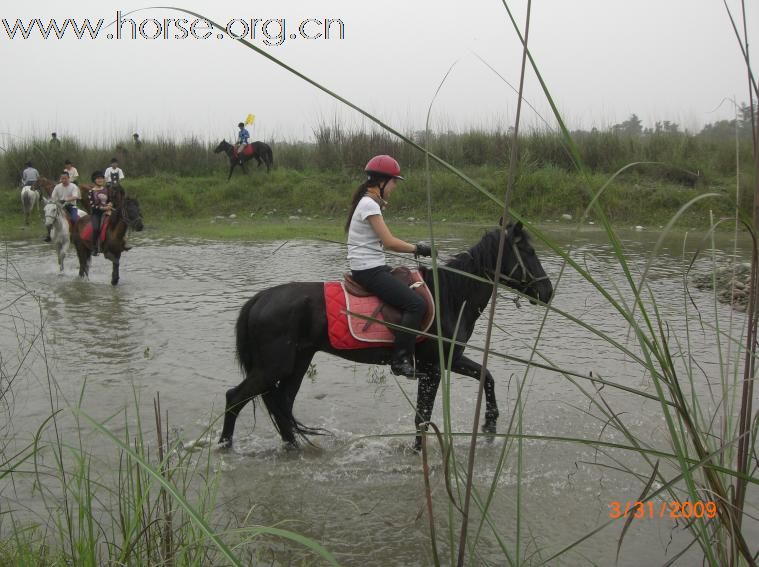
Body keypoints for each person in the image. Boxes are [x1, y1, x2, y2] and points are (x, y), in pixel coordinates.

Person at [345, 155, 432, 379]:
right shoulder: (369, 204)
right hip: (368, 271)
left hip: (374, 266)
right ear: (382, 181)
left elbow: (381, 241)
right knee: (416, 304)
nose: (394, 188)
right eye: (394, 182)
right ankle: (400, 360)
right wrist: (417, 248)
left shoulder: (370, 202)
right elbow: (390, 242)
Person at [47, 171, 81, 241]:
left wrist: (66, 199)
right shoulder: (57, 187)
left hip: (71, 206)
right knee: (49, 218)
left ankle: (76, 235)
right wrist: (53, 202)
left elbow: (75, 196)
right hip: (59, 206)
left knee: (75, 219)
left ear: (69, 178)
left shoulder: (73, 186)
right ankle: (49, 235)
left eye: (65, 178)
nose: (63, 180)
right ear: (60, 179)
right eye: (62, 179)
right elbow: (53, 197)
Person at [88, 171, 111, 256]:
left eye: (101, 178)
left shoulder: (107, 189)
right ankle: (94, 247)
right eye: (98, 178)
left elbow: (110, 200)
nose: (100, 180)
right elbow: (92, 205)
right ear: (94, 180)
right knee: (96, 228)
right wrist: (103, 208)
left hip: (108, 211)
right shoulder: (91, 191)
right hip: (97, 213)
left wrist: (110, 204)